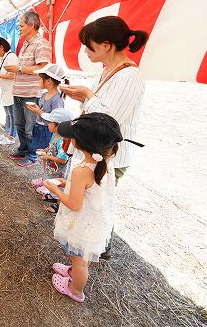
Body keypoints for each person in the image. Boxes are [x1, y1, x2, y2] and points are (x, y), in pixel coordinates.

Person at [59, 15, 148, 258]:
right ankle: (90, 247)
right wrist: (85, 97)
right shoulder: (112, 69)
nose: (86, 52)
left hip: (109, 155)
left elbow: (108, 119)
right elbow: (101, 108)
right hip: (98, 152)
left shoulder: (129, 76)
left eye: (90, 46)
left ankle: (97, 248)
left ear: (107, 45)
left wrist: (87, 94)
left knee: (98, 205)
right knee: (92, 202)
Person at [43, 112, 123, 303]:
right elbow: (90, 188)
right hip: (95, 221)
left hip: (81, 223)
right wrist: (67, 183)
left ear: (80, 144)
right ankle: (75, 270)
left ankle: (76, 289)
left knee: (79, 260)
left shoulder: (82, 170)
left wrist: (55, 189)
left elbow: (73, 204)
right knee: (82, 256)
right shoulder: (105, 162)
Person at [6, 11, 52, 164]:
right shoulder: (25, 43)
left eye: (21, 25)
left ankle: (32, 156)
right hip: (19, 91)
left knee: (30, 127)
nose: (19, 28)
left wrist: (18, 69)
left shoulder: (41, 43)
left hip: (32, 92)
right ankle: (23, 150)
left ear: (32, 25)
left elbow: (43, 68)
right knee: (20, 124)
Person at [22, 64, 68, 167]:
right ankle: (44, 175)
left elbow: (57, 117)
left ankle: (48, 175)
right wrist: (36, 109)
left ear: (48, 81)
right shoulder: (44, 95)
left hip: (49, 129)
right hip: (40, 127)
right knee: (42, 151)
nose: (38, 81)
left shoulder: (57, 98)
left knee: (49, 152)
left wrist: (39, 112)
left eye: (39, 78)